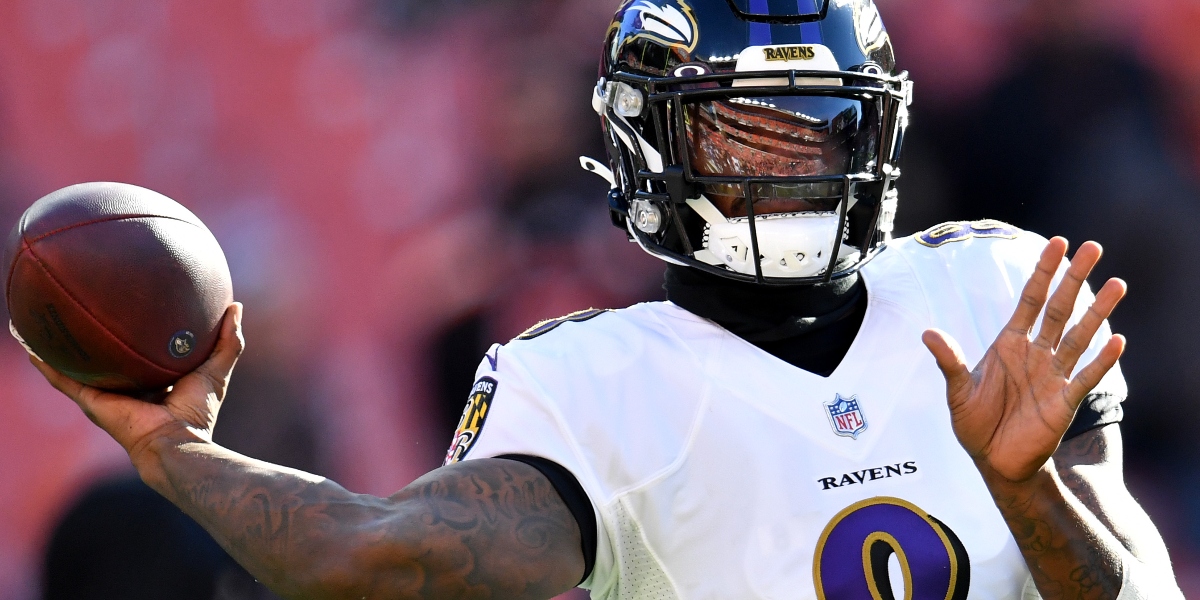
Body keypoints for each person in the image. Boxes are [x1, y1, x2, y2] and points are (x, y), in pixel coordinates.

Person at [25, 0, 1184, 598]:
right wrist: (176, 454)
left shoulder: (988, 284)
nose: (789, 168)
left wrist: (1028, 489)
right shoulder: (584, 384)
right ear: (649, 141)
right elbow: (379, 562)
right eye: (742, 129)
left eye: (820, 124)